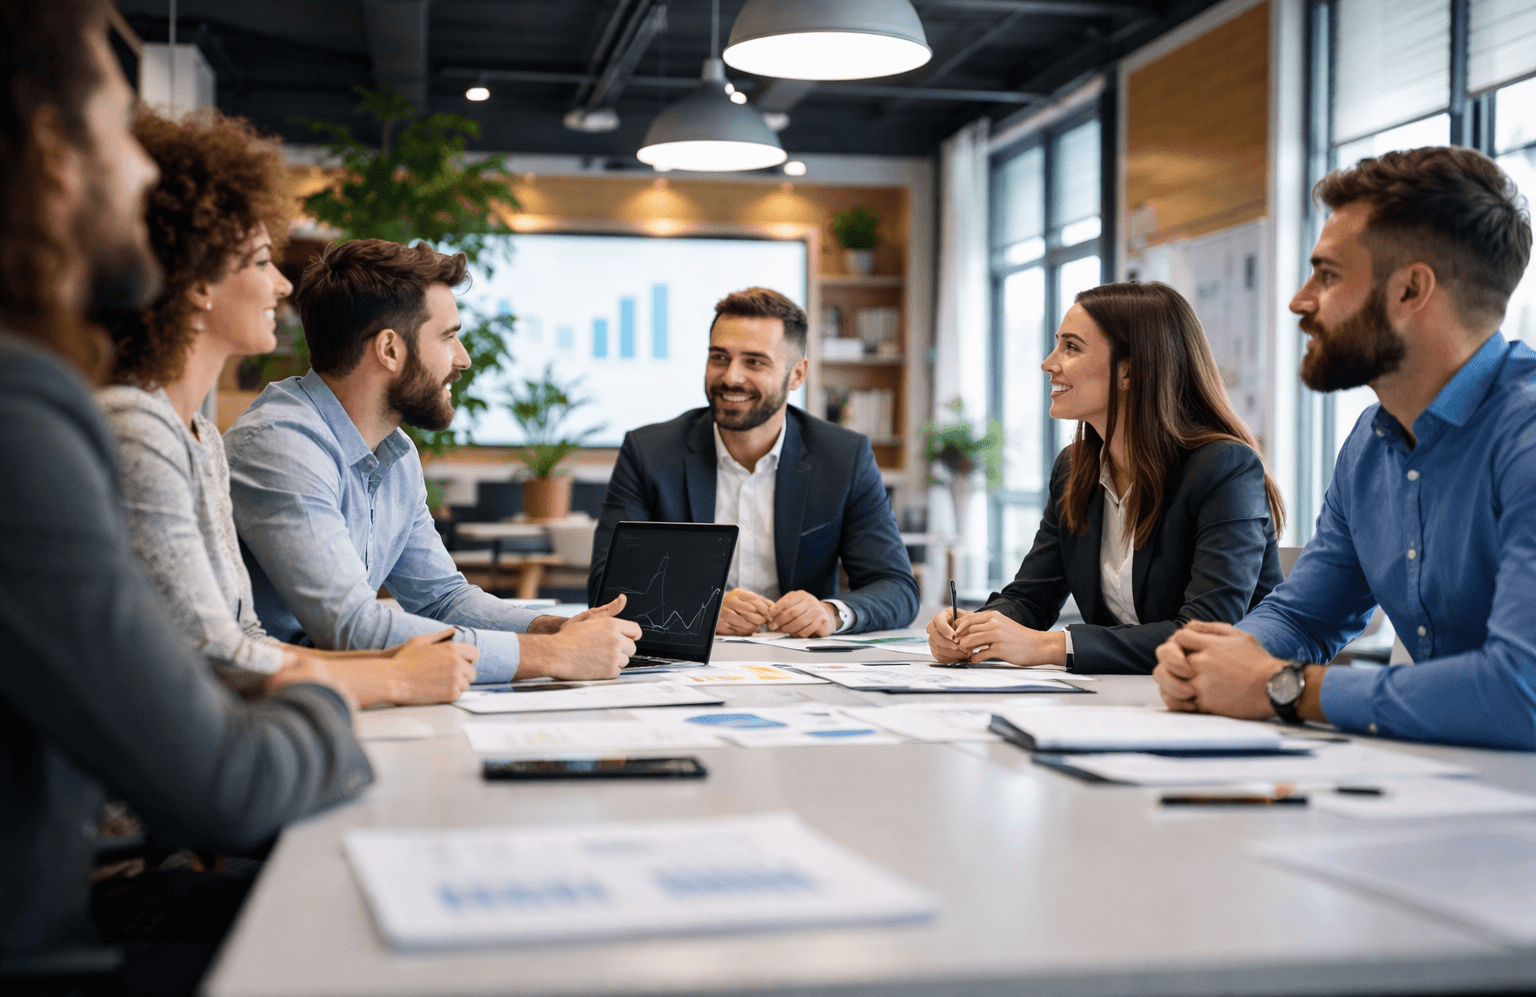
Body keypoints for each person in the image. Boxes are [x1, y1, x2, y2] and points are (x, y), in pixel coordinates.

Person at [0, 0, 370, 979]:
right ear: (52, 158)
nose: (139, 174)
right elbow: (223, 780)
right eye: (119, 132)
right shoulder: (28, 413)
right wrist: (325, 697)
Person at [1154, 146, 1536, 750]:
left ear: (1411, 290)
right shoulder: (1369, 442)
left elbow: (1523, 689)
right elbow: (1307, 615)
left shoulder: (1526, 436)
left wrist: (1283, 687)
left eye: (1328, 276)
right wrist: (1220, 656)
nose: (1300, 301)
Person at [95, 109, 477, 707]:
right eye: (258, 261)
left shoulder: (199, 435)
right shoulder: (142, 430)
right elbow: (215, 655)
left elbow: (243, 637)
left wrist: (417, 666)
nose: (281, 285)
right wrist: (396, 677)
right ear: (197, 283)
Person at [225, 238, 639, 682]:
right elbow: (351, 628)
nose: (463, 359)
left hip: (343, 694)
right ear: (389, 349)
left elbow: (441, 598)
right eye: (448, 337)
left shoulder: (395, 454)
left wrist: (556, 630)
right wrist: (551, 655)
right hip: (266, 705)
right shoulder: (281, 445)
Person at [928, 281, 1285, 674]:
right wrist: (973, 630)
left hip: (1227, 704)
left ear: (1130, 370)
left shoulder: (1225, 469)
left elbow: (1206, 632)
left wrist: (1049, 645)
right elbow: (1032, 598)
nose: (1048, 363)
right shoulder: (1074, 469)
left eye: (1072, 347)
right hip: (1123, 699)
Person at [589, 286, 919, 637]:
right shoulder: (649, 452)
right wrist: (701, 606)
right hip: (687, 659)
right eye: (719, 357)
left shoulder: (843, 457)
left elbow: (895, 585)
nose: (731, 376)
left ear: (797, 374)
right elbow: (605, 586)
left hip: (803, 666)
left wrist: (831, 612)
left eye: (754, 362)